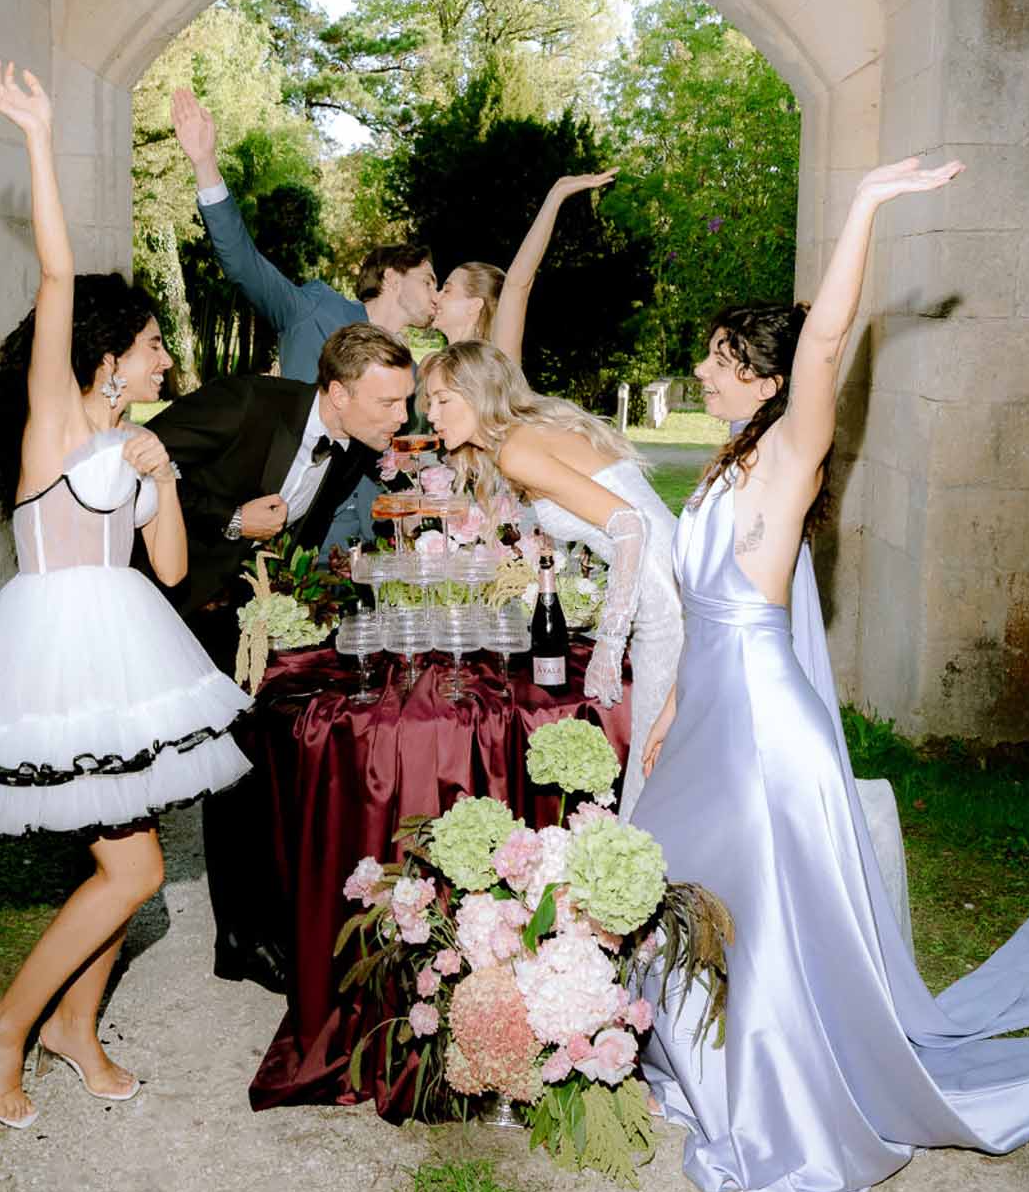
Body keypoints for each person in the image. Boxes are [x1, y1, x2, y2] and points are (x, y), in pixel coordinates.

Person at [631, 156, 1029, 1192]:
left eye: (720, 358)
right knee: (695, 884)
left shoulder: (790, 452)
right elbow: (705, 617)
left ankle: (785, 1097)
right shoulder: (724, 461)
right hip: (713, 709)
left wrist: (862, 205)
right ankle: (698, 1055)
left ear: (763, 381)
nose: (705, 370)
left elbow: (826, 339)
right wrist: (670, 702)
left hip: (766, 728)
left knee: (764, 907)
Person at [0, 61, 253, 1129]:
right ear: (109, 353)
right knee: (133, 870)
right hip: (55, 655)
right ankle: (2, 1026)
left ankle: (71, 1027)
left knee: (133, 866)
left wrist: (159, 474)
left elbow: (177, 569)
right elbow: (55, 276)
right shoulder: (52, 422)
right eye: (150, 343)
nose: (163, 355)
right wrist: (41, 138)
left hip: (126, 650)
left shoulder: (126, 440)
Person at [149, 321, 414, 986]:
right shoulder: (248, 403)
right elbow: (144, 461)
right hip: (172, 597)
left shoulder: (355, 441)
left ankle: (249, 934)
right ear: (336, 392)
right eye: (388, 403)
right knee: (233, 764)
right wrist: (235, 518)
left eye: (405, 400)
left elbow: (308, 524)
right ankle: (242, 937)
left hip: (252, 605)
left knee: (259, 754)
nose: (401, 416)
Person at [421, 341, 678, 819]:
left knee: (654, 751)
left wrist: (610, 638)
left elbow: (629, 525)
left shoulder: (517, 449)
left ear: (478, 396)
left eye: (442, 400)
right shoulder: (523, 437)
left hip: (663, 595)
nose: (430, 414)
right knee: (663, 746)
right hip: (664, 578)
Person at [171, 87, 435, 549]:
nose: (436, 294)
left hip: (364, 543)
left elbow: (389, 458)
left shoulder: (409, 372)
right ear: (393, 277)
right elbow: (243, 264)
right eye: (429, 280)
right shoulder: (312, 309)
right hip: (266, 533)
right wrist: (204, 164)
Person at [430, 170, 618, 370]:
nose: (436, 296)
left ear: (474, 305)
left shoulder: (496, 360)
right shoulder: (433, 366)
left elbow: (517, 284)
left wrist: (556, 196)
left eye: (447, 290)